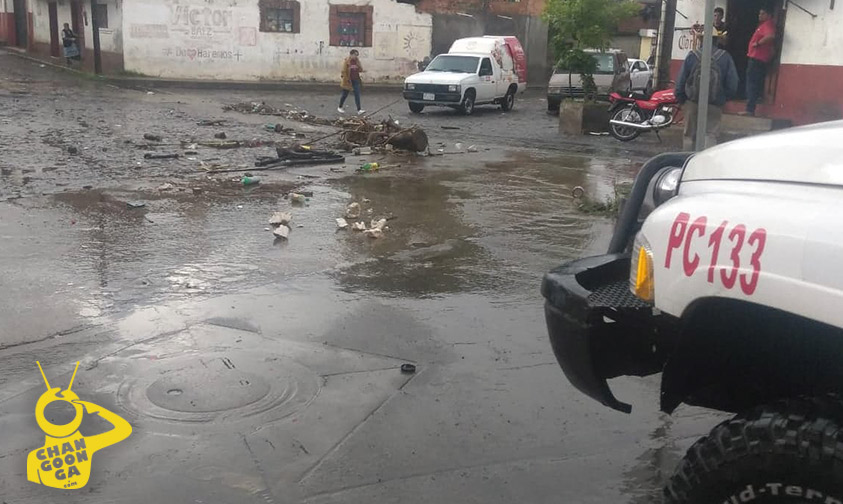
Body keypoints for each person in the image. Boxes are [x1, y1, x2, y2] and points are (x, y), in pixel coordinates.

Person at [675, 33, 739, 150]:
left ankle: (688, 161)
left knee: (689, 135)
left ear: (701, 40)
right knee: (710, 135)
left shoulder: (692, 56)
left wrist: (682, 99)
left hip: (693, 102)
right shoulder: (725, 57)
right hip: (715, 103)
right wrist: (723, 98)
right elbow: (733, 83)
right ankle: (706, 163)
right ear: (716, 41)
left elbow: (681, 80)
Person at [741, 8, 776, 116]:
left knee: (752, 83)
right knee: (754, 82)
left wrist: (758, 43)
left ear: (769, 15)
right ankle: (750, 107)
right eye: (759, 13)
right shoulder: (763, 25)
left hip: (757, 58)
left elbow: (771, 36)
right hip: (757, 58)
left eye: (763, 13)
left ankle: (749, 109)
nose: (760, 15)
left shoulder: (768, 25)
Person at [338, 49, 365, 115]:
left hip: (356, 80)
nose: (356, 56)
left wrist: (359, 67)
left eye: (357, 55)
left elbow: (360, 69)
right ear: (351, 54)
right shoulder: (347, 61)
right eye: (355, 55)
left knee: (357, 95)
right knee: (345, 94)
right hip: (348, 81)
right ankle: (340, 107)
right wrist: (346, 79)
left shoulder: (357, 61)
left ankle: (359, 110)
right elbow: (344, 71)